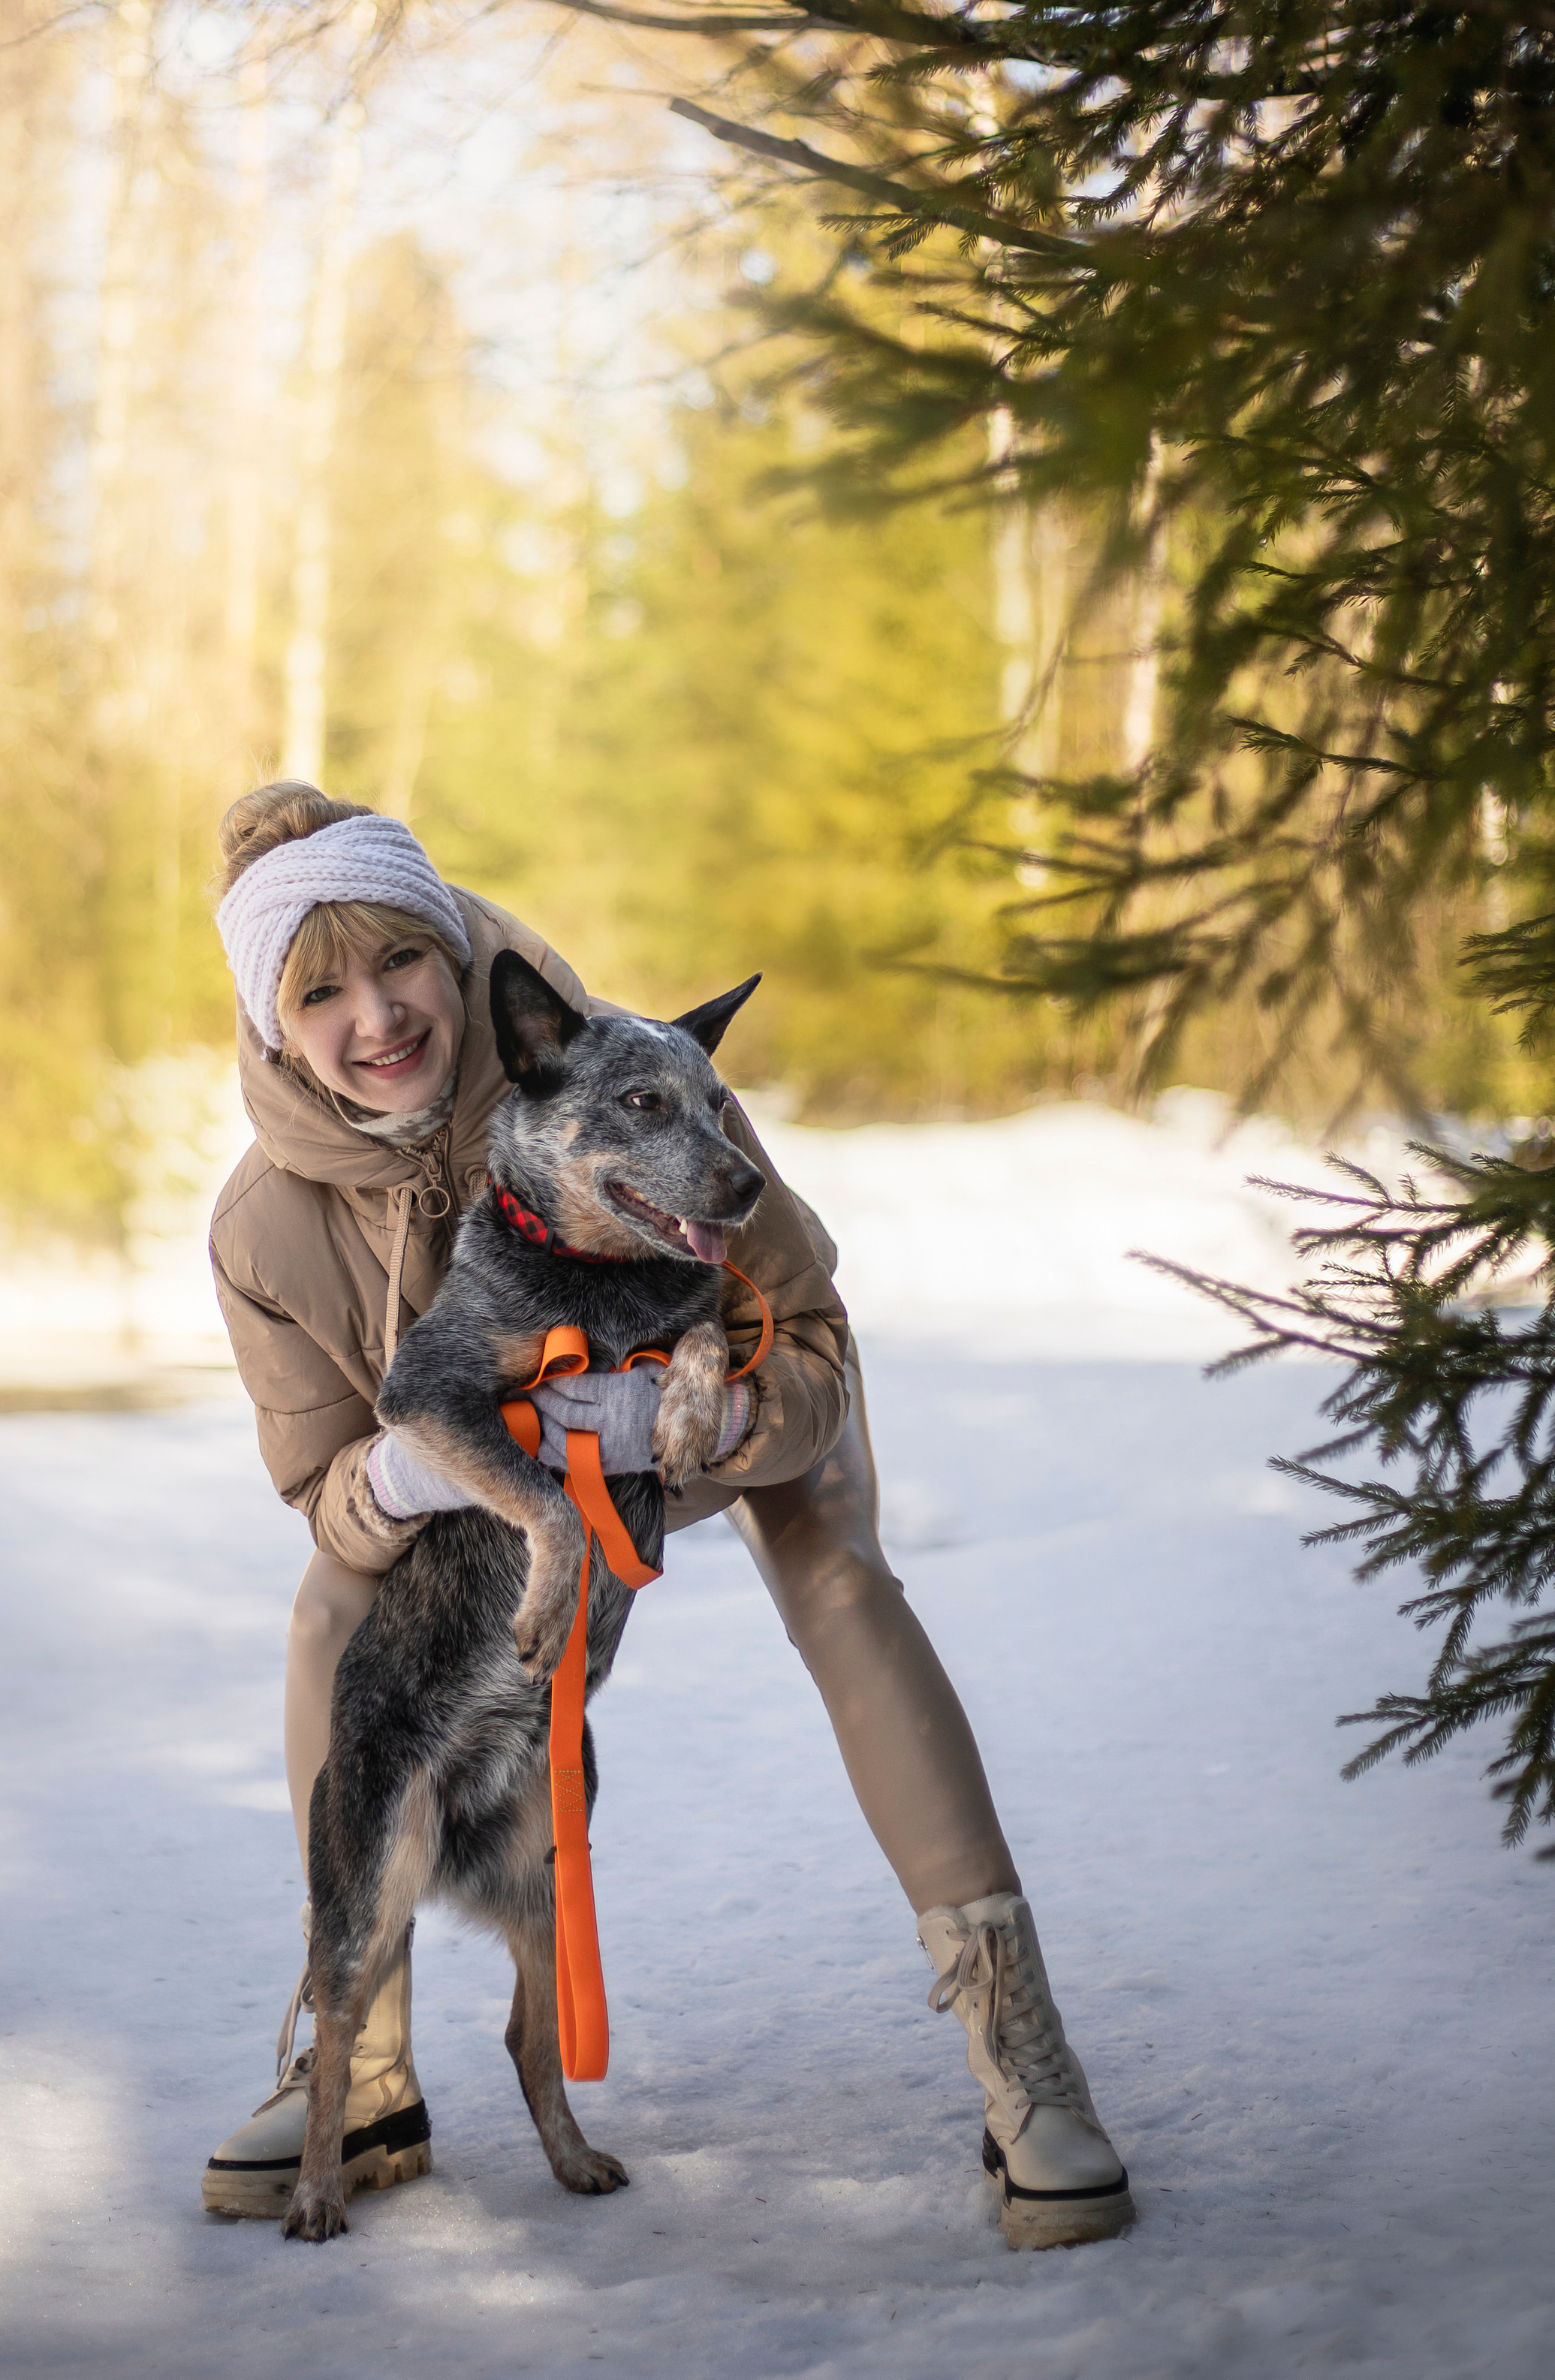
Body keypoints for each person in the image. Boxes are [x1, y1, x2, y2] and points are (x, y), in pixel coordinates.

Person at [200, 782, 1133, 2251]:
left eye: (399, 961)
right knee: (331, 1609)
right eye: (320, 992)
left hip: (708, 1411)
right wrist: (401, 1478)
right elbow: (325, 1494)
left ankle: (1022, 2055)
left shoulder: (637, 1074)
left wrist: (733, 1420)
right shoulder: (265, 1225)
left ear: (453, 952)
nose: (374, 1016)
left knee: (835, 1575)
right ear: (274, 1023)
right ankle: (358, 2062)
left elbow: (805, 1325)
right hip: (490, 1461)